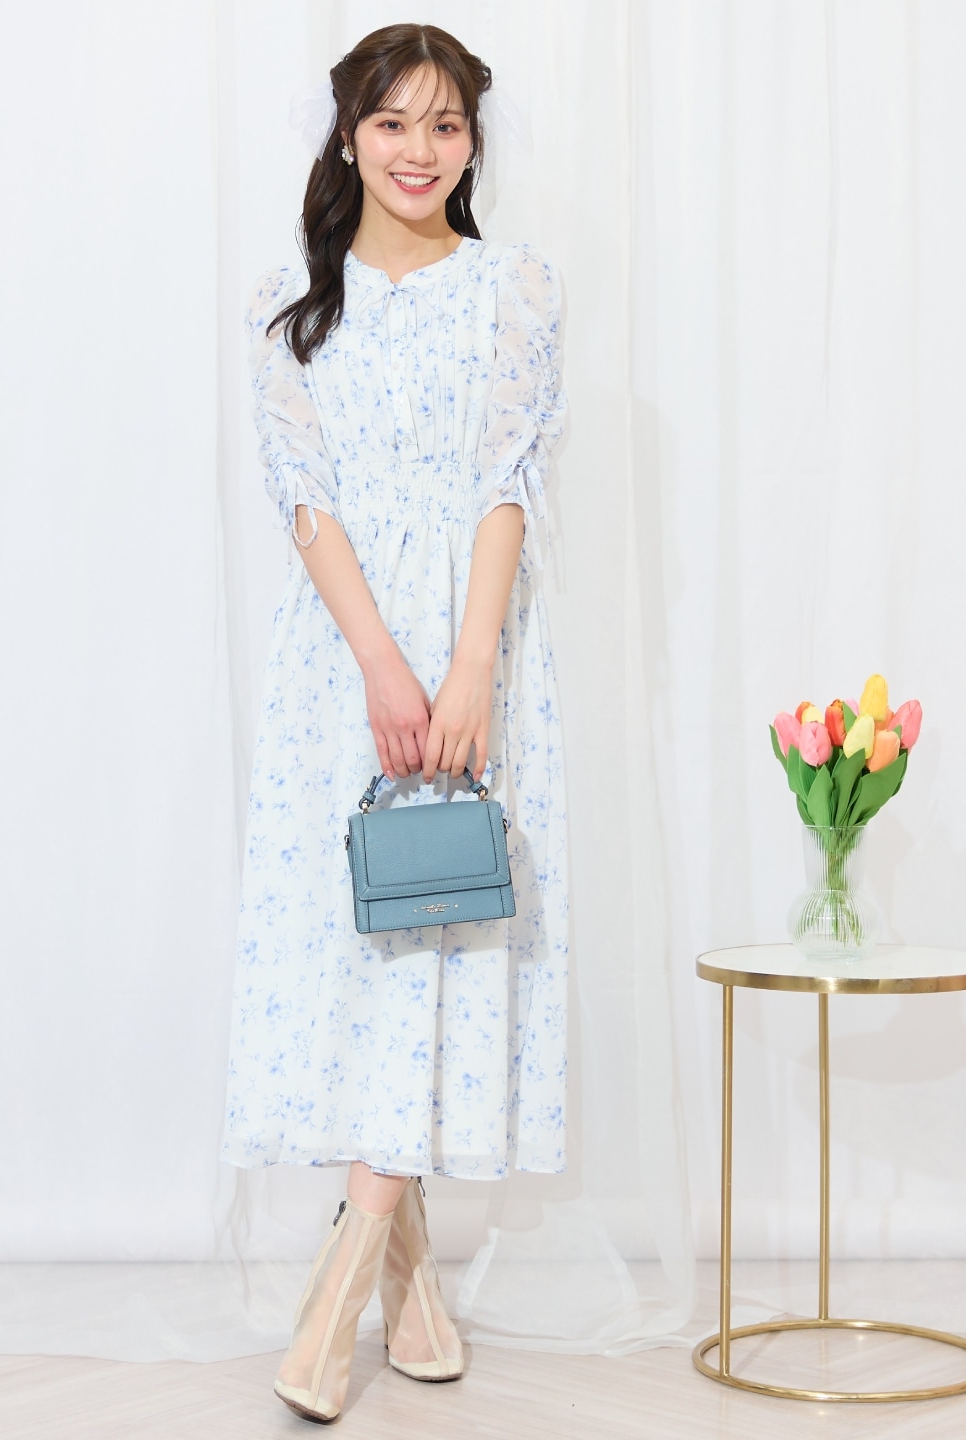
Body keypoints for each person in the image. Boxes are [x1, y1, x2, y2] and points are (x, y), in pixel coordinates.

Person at [220, 22, 569, 1423]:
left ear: (472, 142)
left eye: (445, 124)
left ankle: (342, 1286)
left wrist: (469, 664)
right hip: (338, 660)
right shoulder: (288, 304)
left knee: (442, 930)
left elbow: (507, 482)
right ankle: (406, 1272)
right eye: (392, 122)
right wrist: (378, 663)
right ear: (349, 134)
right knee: (360, 945)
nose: (419, 150)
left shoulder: (516, 288)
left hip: (480, 645)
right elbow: (302, 498)